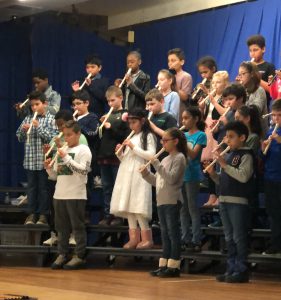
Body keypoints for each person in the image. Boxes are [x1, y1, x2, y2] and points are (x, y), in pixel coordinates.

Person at [206, 121, 255, 283]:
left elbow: (243, 176)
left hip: (238, 202)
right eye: (226, 137)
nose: (227, 140)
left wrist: (224, 165)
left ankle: (241, 270)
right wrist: (213, 174)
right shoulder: (229, 155)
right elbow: (223, 181)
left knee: (238, 237)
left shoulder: (246, 155)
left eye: (231, 137)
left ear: (242, 137)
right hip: (225, 200)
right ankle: (231, 269)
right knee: (229, 237)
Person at [45, 120, 92, 270]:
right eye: (65, 135)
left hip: (76, 195)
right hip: (59, 194)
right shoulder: (63, 148)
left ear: (78, 134)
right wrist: (48, 168)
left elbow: (83, 170)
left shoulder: (84, 150)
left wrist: (65, 157)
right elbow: (55, 175)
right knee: (61, 227)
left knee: (77, 226)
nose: (67, 138)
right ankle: (62, 254)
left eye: (70, 135)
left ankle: (79, 256)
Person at [141, 128, 187, 278]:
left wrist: (156, 164)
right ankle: (164, 265)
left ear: (175, 141)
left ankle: (174, 266)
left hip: (172, 200)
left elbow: (172, 179)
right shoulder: (166, 159)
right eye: (162, 140)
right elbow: (159, 181)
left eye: (165, 140)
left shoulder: (179, 158)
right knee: (165, 234)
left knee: (173, 234)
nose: (163, 143)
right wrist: (146, 174)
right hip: (162, 200)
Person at [110, 108, 156, 249]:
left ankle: (147, 239)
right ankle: (134, 239)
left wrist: (133, 147)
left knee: (138, 206)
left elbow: (151, 156)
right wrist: (120, 153)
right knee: (129, 206)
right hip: (126, 173)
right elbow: (126, 159)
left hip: (140, 175)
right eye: (129, 122)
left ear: (142, 121)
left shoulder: (147, 136)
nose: (131, 126)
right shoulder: (131, 136)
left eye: (134, 122)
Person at [16, 90, 57, 225]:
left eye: (37, 104)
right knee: (32, 189)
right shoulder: (28, 118)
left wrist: (38, 127)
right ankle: (32, 214)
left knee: (44, 189)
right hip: (30, 160)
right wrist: (23, 131)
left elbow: (53, 138)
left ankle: (43, 215)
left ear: (45, 104)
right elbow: (19, 137)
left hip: (44, 161)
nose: (34, 108)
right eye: (32, 105)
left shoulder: (51, 119)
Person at [98, 86, 130, 226]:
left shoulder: (126, 114)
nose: (110, 104)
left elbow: (125, 136)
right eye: (108, 101)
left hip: (117, 155)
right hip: (104, 155)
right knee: (106, 187)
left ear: (121, 98)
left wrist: (111, 128)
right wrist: (101, 127)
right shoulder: (107, 115)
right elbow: (101, 136)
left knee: (118, 186)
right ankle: (107, 214)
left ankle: (118, 215)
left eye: (113, 100)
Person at [199, 71, 230, 206]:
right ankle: (212, 194)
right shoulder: (211, 97)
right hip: (208, 128)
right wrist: (201, 107)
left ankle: (219, 195)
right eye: (213, 83)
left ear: (225, 84)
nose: (215, 85)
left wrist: (211, 98)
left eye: (218, 82)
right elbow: (206, 115)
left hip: (218, 130)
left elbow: (225, 113)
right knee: (206, 162)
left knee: (216, 162)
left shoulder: (225, 98)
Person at [181, 107, 207, 252]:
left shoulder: (201, 135)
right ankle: (185, 238)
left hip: (193, 174)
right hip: (182, 174)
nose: (183, 121)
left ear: (196, 119)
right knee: (183, 208)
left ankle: (196, 239)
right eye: (182, 118)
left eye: (186, 118)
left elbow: (192, 155)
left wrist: (182, 141)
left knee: (192, 207)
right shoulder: (183, 134)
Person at [261, 99, 281, 255]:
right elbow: (265, 157)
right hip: (271, 177)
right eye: (274, 115)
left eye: (279, 115)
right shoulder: (270, 131)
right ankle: (275, 244)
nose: (276, 119)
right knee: (273, 213)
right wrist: (263, 147)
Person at [71, 90, 99, 190]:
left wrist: (77, 125)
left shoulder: (93, 117)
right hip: (74, 155)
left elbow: (93, 134)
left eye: (78, 103)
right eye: (74, 104)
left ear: (87, 103)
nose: (75, 107)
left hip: (88, 155)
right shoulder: (73, 118)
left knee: (86, 186)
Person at [237, 61, 268, 136]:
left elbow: (255, 111)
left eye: (243, 74)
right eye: (239, 74)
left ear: (251, 74)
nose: (240, 77)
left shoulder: (259, 90)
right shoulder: (243, 90)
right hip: (244, 132)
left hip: (257, 135)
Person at [247, 34, 275, 106]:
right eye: (250, 51)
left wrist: (254, 77)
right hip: (247, 104)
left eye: (255, 50)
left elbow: (271, 90)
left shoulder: (269, 66)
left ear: (263, 49)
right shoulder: (247, 67)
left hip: (262, 106)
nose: (252, 53)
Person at [167, 48, 192, 119]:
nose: (170, 63)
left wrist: (173, 83)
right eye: (169, 61)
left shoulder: (186, 76)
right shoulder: (168, 76)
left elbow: (185, 97)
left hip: (179, 112)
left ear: (182, 62)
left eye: (173, 60)